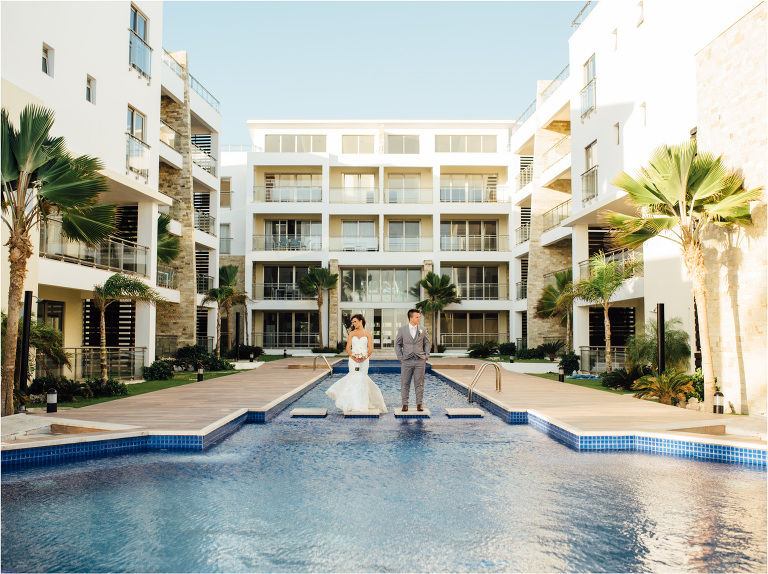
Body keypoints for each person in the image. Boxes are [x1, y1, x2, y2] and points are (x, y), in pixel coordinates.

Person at [326, 314, 388, 413]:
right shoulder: (351, 333)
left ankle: (362, 404)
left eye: (355, 321)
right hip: (353, 360)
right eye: (353, 322)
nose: (353, 324)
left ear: (360, 321)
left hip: (364, 360)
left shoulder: (368, 333)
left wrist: (364, 357)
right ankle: (352, 404)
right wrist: (354, 357)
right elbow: (348, 347)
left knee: (362, 378)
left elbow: (370, 348)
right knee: (353, 378)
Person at [394, 309, 430, 411]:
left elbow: (427, 342)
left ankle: (419, 404)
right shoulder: (402, 330)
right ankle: (405, 404)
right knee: (405, 383)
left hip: (420, 360)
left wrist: (426, 355)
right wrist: (400, 357)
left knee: (419, 383)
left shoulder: (423, 329)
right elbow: (397, 344)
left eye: (419, 317)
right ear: (411, 318)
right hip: (406, 360)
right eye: (417, 317)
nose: (419, 319)